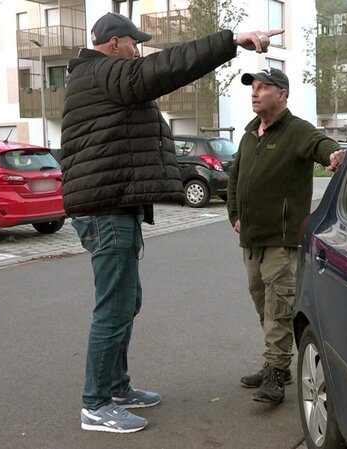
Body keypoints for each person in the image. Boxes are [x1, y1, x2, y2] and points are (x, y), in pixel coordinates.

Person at [60, 12, 283, 433]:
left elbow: (156, 67)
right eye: (134, 44)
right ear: (114, 44)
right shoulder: (104, 71)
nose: (138, 50)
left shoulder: (100, 75)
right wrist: (231, 40)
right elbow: (165, 68)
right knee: (114, 307)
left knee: (128, 302)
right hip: (105, 211)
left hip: (113, 206)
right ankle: (96, 402)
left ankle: (117, 386)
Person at [226, 68, 347, 404]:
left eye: (263, 88)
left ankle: (276, 373)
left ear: (282, 94)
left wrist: (334, 154)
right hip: (251, 242)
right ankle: (274, 363)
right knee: (263, 307)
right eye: (253, 88)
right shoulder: (251, 133)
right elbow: (236, 177)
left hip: (281, 243)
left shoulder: (297, 131)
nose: (255, 93)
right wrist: (234, 215)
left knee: (279, 308)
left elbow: (321, 144)